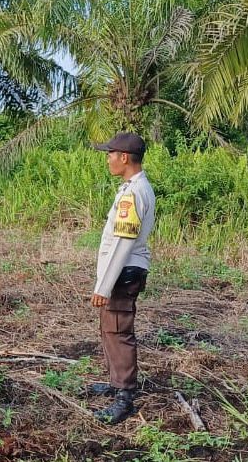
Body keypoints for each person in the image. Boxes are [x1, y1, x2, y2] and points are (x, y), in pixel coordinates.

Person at [87, 132, 155, 425]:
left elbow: (122, 243)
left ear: (124, 158)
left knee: (119, 331)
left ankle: (125, 396)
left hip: (123, 271)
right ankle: (116, 384)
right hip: (123, 270)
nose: (108, 159)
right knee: (110, 329)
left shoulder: (133, 193)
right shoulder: (132, 187)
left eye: (110, 154)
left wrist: (104, 285)